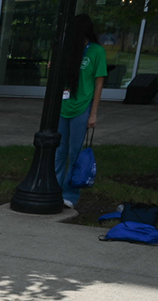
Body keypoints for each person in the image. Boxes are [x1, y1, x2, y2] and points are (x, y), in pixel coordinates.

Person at [56, 15, 106, 210]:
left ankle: (70, 194)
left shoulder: (96, 51)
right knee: (59, 152)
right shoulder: (68, 50)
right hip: (64, 107)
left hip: (82, 107)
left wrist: (93, 113)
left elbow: (98, 82)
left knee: (74, 152)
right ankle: (55, 189)